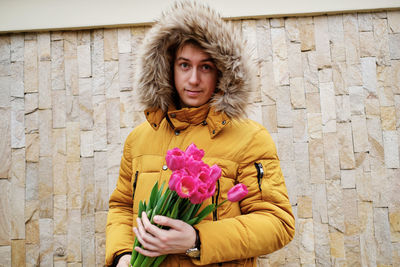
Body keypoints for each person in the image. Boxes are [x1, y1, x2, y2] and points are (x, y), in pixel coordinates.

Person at [105, 1, 295, 266]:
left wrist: (197, 240)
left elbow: (277, 222)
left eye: (205, 67)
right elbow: (122, 207)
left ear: (221, 72)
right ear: (167, 69)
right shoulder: (139, 138)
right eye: (184, 65)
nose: (193, 79)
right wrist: (123, 255)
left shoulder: (250, 138)